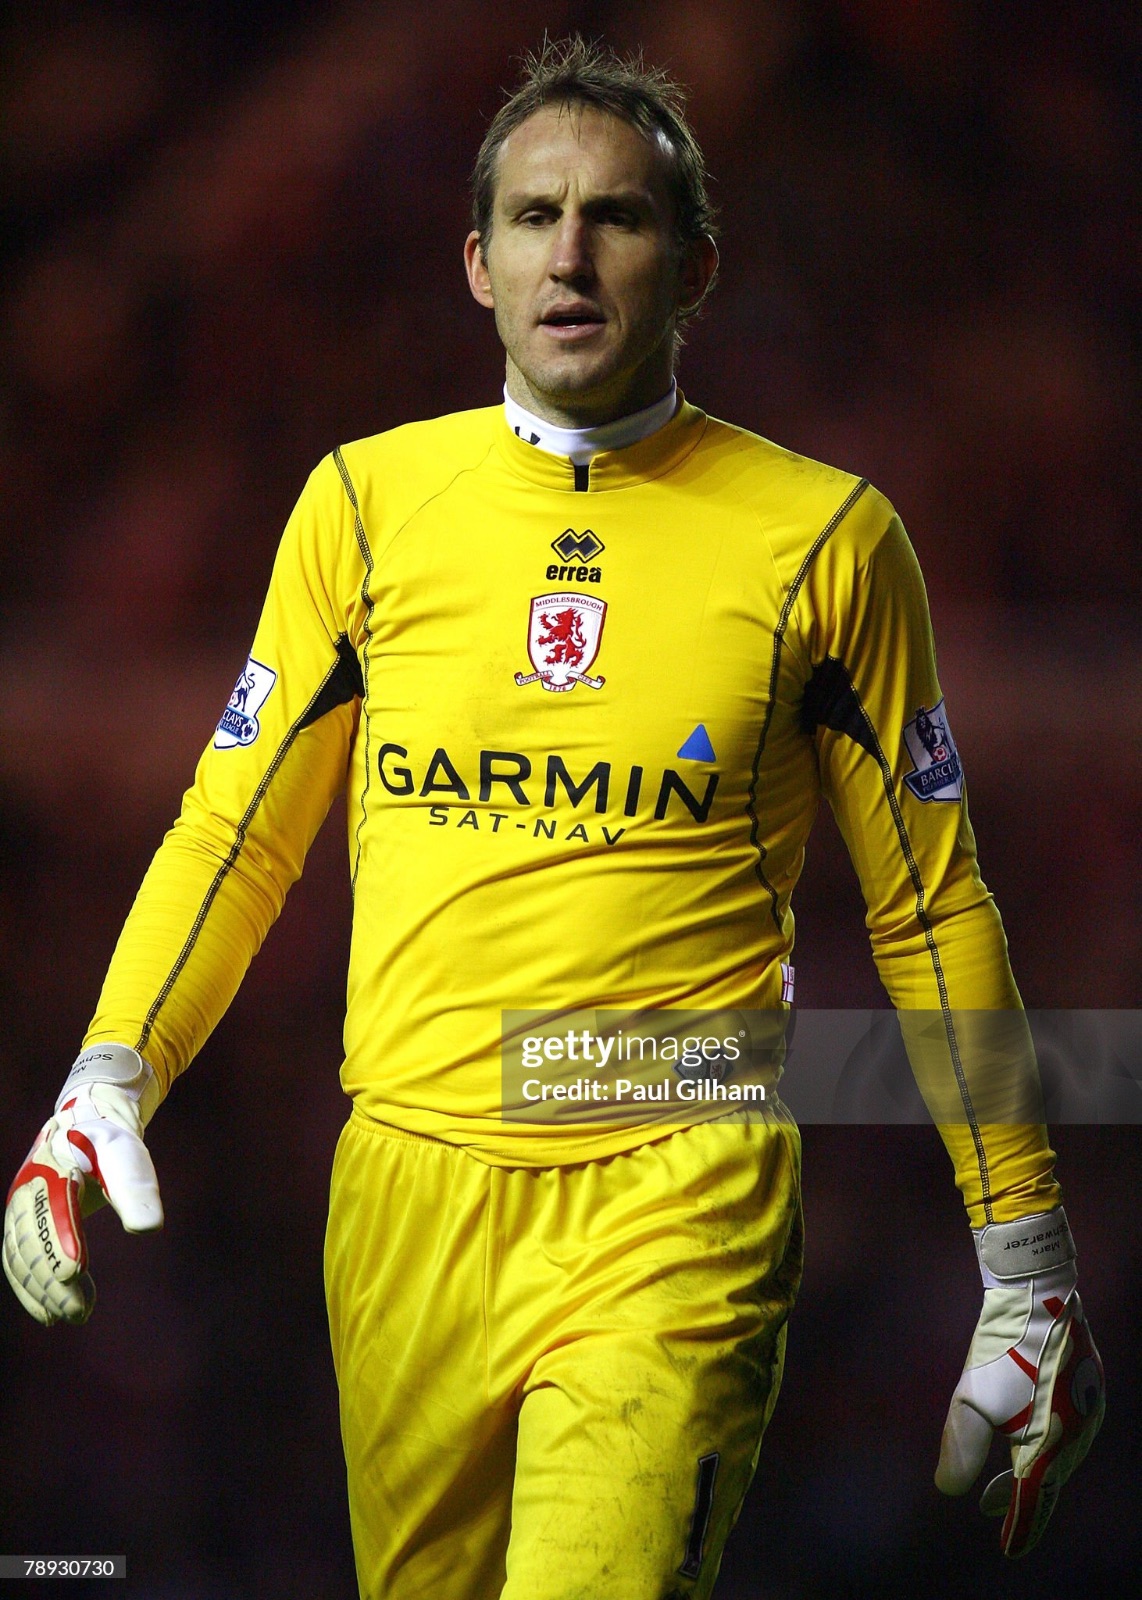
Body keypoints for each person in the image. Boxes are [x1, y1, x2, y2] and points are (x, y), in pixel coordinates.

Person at [3, 37, 1103, 1599]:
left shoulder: (828, 541)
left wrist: (1026, 1263)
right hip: (403, 1191)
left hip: (678, 1186)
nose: (568, 253)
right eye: (530, 216)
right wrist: (108, 1068)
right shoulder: (365, 507)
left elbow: (932, 906)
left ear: (696, 263)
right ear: (474, 262)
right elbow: (235, 829)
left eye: (616, 217)